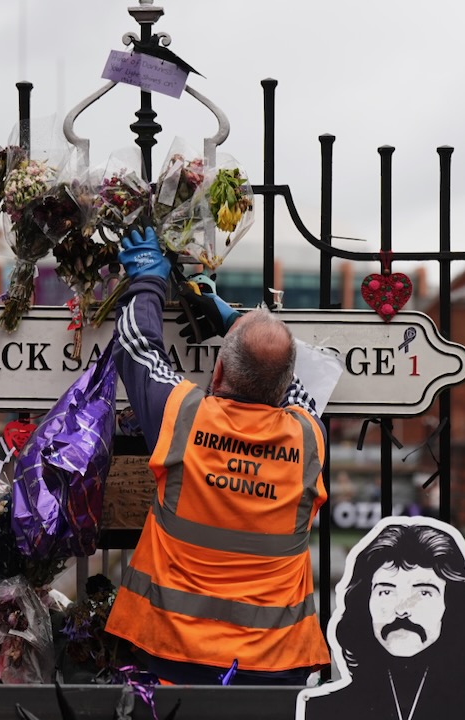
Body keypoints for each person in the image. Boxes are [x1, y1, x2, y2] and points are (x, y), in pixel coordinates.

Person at [103, 226, 331, 685]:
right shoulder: (309, 436)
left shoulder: (184, 414)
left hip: (170, 652)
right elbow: (304, 379)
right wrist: (235, 322)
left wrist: (148, 278)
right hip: (277, 665)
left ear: (220, 367)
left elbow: (134, 345)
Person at [301, 521, 465, 720]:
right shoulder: (324, 710)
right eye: (386, 592)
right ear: (364, 603)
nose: (402, 610)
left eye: (423, 592)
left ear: (454, 605)